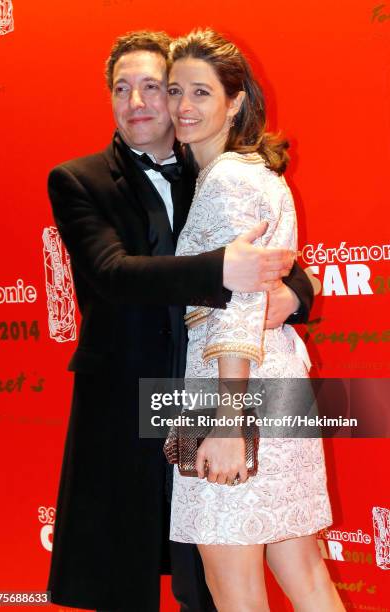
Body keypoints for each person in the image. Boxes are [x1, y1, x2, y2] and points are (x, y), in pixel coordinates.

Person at [47, 30, 315, 612]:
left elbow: (280, 265)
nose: (138, 102)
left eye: (153, 87)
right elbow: (112, 273)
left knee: (221, 582)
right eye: (123, 88)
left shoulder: (217, 169)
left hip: (213, 396)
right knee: (132, 579)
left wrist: (294, 295)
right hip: (129, 402)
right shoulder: (78, 179)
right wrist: (224, 268)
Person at [167, 29, 345, 612]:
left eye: (201, 92)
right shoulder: (259, 175)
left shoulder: (225, 181)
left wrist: (225, 422)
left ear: (236, 101)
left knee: (234, 587)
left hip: (233, 392)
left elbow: (238, 303)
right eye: (176, 92)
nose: (184, 107)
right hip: (277, 382)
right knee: (305, 574)